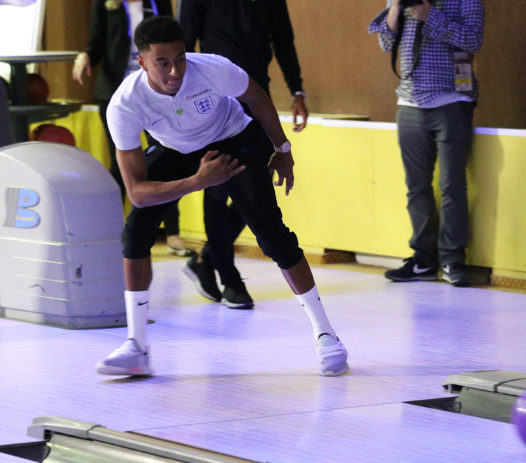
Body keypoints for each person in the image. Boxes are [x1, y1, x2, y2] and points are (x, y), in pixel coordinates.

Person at [95, 16, 348, 378]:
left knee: (271, 232)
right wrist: (198, 181)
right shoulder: (124, 105)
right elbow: (137, 193)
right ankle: (136, 345)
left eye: (180, 58)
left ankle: (327, 336)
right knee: (135, 232)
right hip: (178, 150)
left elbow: (256, 97)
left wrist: (283, 147)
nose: (174, 71)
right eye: (162, 63)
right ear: (142, 62)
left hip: (233, 138)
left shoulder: (212, 69)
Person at [177, 0, 309, 309]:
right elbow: (183, 45)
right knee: (218, 185)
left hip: (255, 95)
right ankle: (228, 276)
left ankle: (207, 259)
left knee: (255, 189)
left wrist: (297, 91)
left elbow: (283, 39)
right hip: (213, 99)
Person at [369, 0, 484, 287]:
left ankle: (452, 259)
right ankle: (423, 260)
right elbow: (385, 43)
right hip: (409, 103)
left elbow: (473, 39)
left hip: (452, 99)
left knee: (452, 185)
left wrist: (432, 16)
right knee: (416, 187)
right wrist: (396, 7)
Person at [72, 0, 195, 257]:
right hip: (117, 94)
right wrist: (85, 56)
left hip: (155, 93)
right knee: (121, 165)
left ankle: (172, 233)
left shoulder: (158, 2)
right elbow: (97, 42)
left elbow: (172, 39)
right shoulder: (106, 4)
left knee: (167, 158)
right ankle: (109, 232)